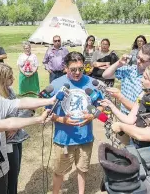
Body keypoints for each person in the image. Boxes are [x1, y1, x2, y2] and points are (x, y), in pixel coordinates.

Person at [0, 63, 53, 194]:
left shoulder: (9, 92)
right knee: (10, 178)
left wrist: (31, 110)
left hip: (17, 139)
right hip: (7, 144)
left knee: (15, 174)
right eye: (10, 77)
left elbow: (16, 114)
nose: (13, 79)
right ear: (2, 79)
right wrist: (11, 127)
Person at [49, 51, 102, 194]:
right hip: (64, 139)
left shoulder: (91, 83)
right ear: (65, 67)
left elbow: (101, 106)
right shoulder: (57, 84)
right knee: (59, 172)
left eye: (81, 68)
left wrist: (93, 115)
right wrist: (61, 119)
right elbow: (47, 112)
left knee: (82, 169)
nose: (77, 72)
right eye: (73, 69)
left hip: (85, 137)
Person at [100, 64, 150, 148]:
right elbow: (129, 120)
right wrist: (111, 106)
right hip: (137, 144)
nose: (141, 80)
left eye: (145, 78)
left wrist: (122, 126)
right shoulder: (143, 95)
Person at [102, 42, 150, 114]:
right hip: (122, 115)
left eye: (142, 60)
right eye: (137, 57)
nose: (138, 61)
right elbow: (105, 75)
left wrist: (120, 97)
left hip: (138, 120)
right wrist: (119, 63)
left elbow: (140, 110)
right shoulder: (130, 69)